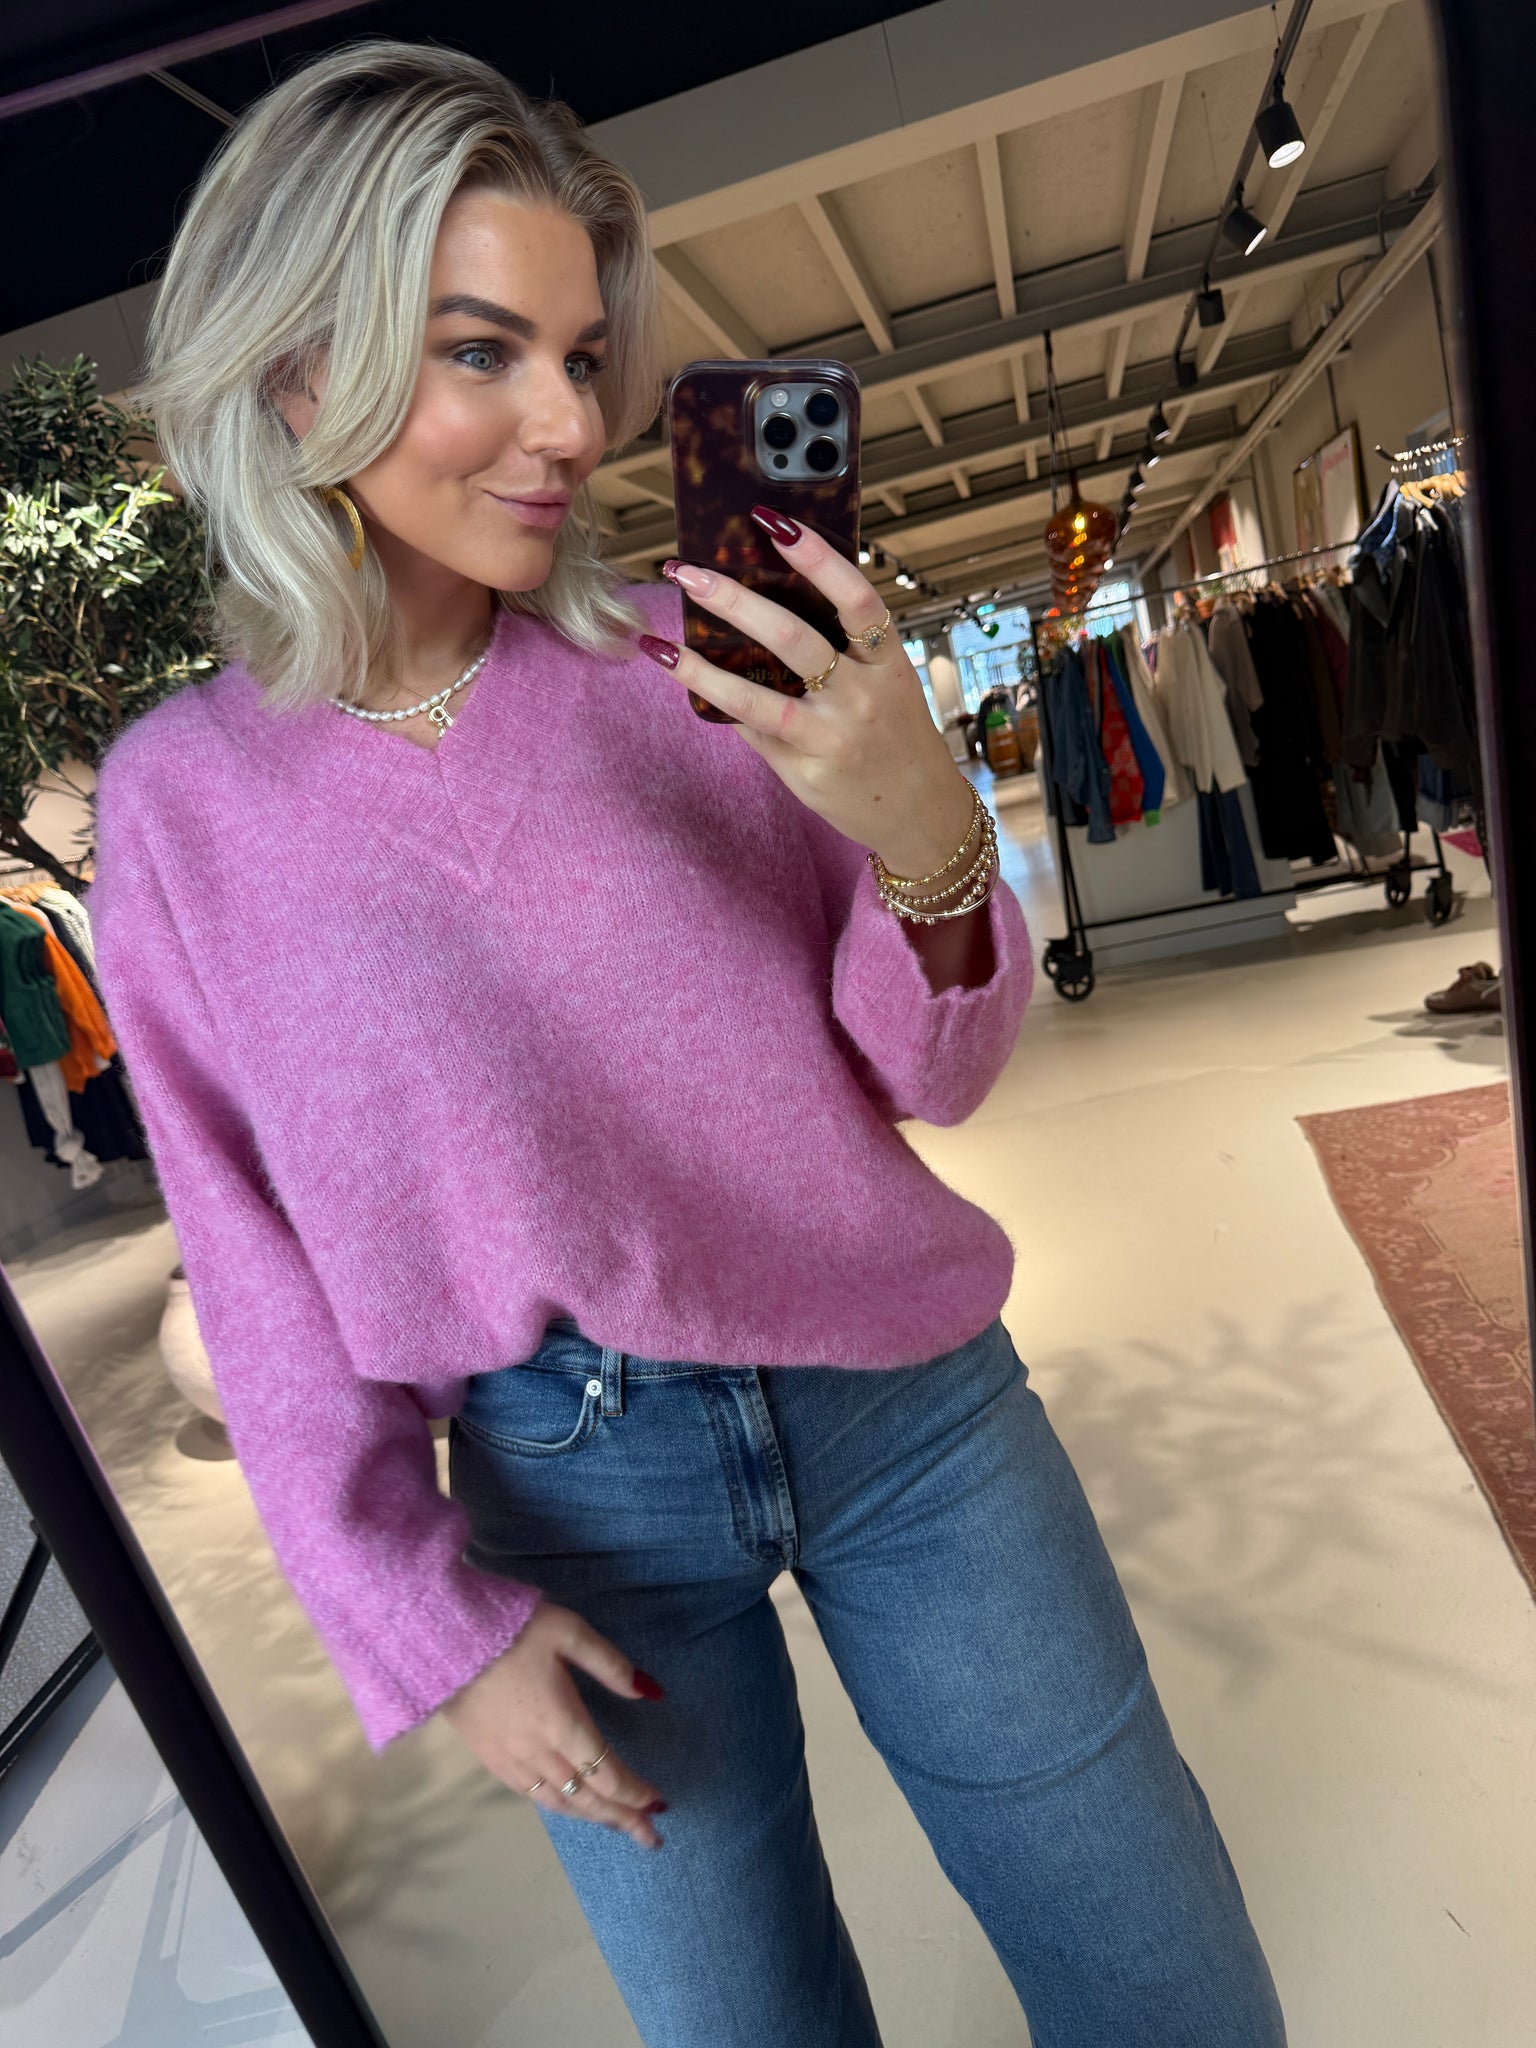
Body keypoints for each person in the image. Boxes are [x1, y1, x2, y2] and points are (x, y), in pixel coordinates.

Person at [86, 40, 1288, 2048]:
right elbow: (252, 1262)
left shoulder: (690, 666)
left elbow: (937, 1072)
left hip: (911, 1412)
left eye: (582, 356)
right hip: (577, 1494)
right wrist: (429, 1630)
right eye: (487, 352)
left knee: (1156, 1966)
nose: (574, 422)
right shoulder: (180, 809)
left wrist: (923, 826)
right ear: (297, 373)